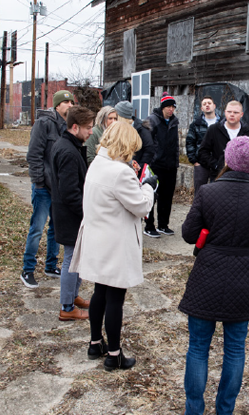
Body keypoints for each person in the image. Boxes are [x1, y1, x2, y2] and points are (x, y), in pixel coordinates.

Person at [179, 136, 249, 415]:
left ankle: (194, 410)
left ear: (228, 160)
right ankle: (225, 410)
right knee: (234, 349)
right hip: (242, 275)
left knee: (198, 347)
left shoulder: (208, 192)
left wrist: (209, 236)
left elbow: (187, 234)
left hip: (208, 270)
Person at [69, 121, 157, 371]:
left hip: (97, 239)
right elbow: (140, 206)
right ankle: (114, 355)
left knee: (100, 293)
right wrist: (149, 186)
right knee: (115, 299)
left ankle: (95, 343)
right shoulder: (120, 172)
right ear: (126, 145)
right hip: (115, 243)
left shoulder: (98, 163)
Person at [21, 90, 75, 288]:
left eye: (71, 102)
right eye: (66, 102)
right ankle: (28, 269)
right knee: (37, 227)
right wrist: (39, 181)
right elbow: (34, 154)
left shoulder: (69, 126)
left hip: (59, 188)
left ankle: (51, 265)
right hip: (44, 187)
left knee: (55, 228)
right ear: (57, 105)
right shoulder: (43, 123)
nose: (70, 105)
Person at [51, 106, 95, 321]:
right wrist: (86, 213)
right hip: (70, 216)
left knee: (76, 258)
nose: (91, 132)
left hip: (69, 214)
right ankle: (67, 307)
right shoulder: (68, 151)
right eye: (88, 128)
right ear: (74, 127)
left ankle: (73, 296)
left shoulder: (70, 145)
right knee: (71, 259)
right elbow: (70, 193)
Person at [143, 92, 180, 238]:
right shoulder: (152, 120)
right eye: (168, 106)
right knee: (151, 196)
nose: (171, 110)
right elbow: (147, 143)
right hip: (155, 166)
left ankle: (163, 225)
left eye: (173, 107)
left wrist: (175, 162)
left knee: (167, 197)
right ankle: (149, 226)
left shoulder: (174, 121)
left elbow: (175, 145)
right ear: (163, 107)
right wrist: (149, 162)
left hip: (170, 166)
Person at [198, 100, 249, 182]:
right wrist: (216, 165)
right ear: (225, 112)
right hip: (218, 176)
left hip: (242, 178)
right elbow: (202, 152)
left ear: (241, 114)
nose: (232, 114)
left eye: (235, 112)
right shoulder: (214, 129)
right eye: (229, 112)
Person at [186, 95, 220, 192]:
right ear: (201, 108)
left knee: (217, 193)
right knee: (200, 193)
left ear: (214, 106)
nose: (207, 105)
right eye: (204, 104)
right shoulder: (196, 124)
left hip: (218, 163)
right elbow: (190, 142)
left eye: (209, 103)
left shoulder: (222, 123)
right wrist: (194, 161)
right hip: (201, 164)